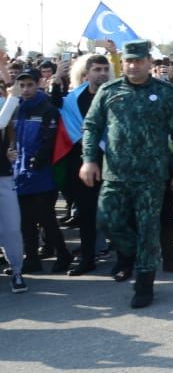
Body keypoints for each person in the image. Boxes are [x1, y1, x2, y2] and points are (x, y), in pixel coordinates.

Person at [81, 40, 173, 308]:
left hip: (151, 176)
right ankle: (133, 254)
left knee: (148, 229)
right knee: (107, 221)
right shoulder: (109, 90)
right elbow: (92, 127)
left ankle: (144, 284)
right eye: (129, 61)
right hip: (115, 174)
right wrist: (89, 160)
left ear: (149, 63)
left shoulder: (165, 92)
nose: (133, 65)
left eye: (139, 61)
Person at [11, 66, 72, 273]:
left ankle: (63, 254)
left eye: (30, 85)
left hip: (42, 173)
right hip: (20, 174)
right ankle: (32, 259)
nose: (26, 89)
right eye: (22, 85)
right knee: (25, 221)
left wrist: (37, 163)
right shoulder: (16, 109)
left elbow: (50, 141)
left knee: (46, 218)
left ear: (38, 84)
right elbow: (11, 140)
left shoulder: (48, 109)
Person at [57, 54, 112, 275]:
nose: (101, 73)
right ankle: (87, 259)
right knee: (87, 215)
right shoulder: (73, 100)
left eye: (104, 69)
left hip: (113, 162)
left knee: (119, 213)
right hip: (86, 165)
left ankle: (129, 259)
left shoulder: (117, 95)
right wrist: (56, 79)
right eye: (97, 70)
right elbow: (53, 105)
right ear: (86, 73)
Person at [1, 81, 27, 292]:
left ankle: (17, 271)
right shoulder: (6, 105)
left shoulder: (4, 105)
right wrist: (13, 98)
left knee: (11, 229)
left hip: (4, 179)